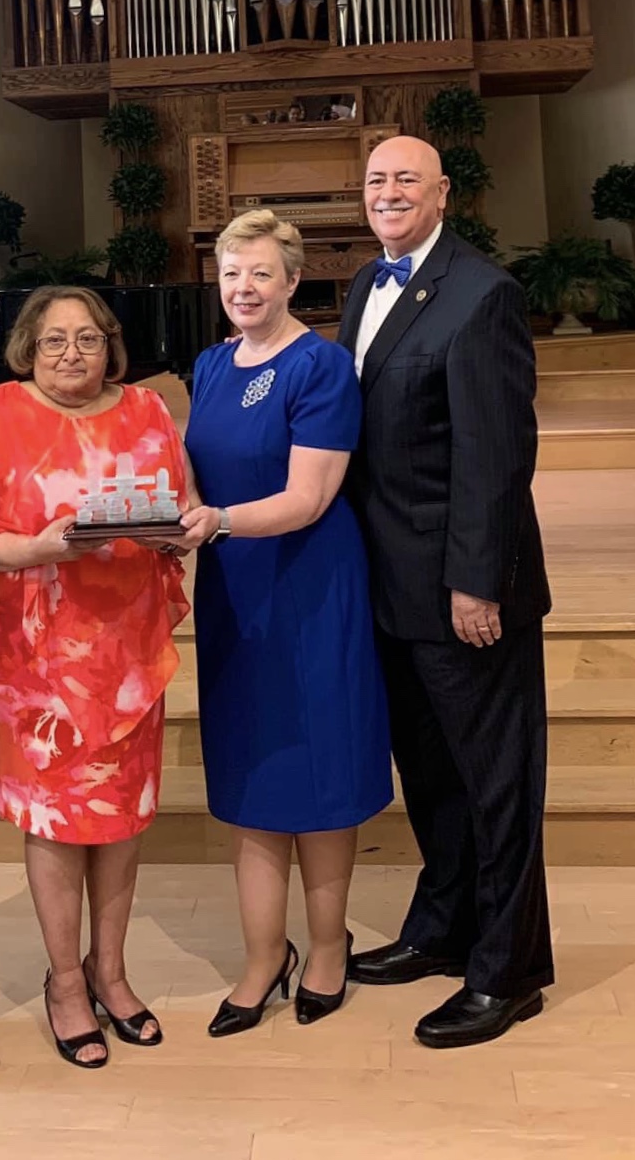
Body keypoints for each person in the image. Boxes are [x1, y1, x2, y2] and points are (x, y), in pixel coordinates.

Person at [337, 136, 553, 1049]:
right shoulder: (362, 286)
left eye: (405, 181)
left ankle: (507, 970)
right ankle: (443, 928)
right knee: (430, 778)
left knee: (494, 781)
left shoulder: (482, 293)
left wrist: (476, 582)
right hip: (386, 584)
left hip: (465, 593)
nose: (388, 193)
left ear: (442, 195)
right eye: (376, 180)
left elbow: (497, 458)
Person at [0, 285, 189, 1069]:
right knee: (54, 821)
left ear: (110, 343)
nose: (71, 354)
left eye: (87, 339)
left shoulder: (148, 412)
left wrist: (173, 533)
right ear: (27, 347)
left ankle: (109, 973)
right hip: (33, 661)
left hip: (124, 654)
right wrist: (42, 549)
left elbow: (179, 505)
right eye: (53, 341)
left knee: (120, 819)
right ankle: (62, 982)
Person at [179, 209, 393, 1036]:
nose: (243, 288)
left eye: (260, 274)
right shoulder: (210, 363)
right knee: (251, 776)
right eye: (231, 274)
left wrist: (214, 521)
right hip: (235, 592)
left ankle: (328, 945)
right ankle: (263, 955)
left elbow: (308, 499)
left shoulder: (321, 365)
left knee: (318, 775)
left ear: (292, 281)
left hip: (309, 591)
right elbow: (193, 476)